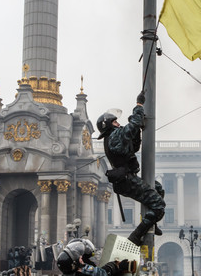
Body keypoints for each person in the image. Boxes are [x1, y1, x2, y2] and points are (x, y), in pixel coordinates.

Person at [97, 91, 166, 246]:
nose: (118, 123)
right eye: (115, 122)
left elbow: (133, 146)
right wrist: (139, 106)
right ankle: (135, 237)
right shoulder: (114, 136)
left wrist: (137, 131)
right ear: (109, 125)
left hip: (129, 178)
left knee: (158, 188)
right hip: (126, 180)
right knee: (159, 206)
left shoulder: (116, 137)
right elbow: (132, 127)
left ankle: (152, 223)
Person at [56, 238, 135, 276]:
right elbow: (102, 273)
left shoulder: (70, 273)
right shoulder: (82, 273)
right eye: (79, 258)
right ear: (74, 264)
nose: (81, 259)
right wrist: (117, 266)